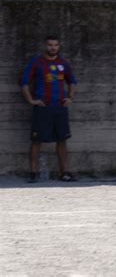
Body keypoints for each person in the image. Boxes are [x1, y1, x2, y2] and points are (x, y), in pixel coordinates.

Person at [20, 36, 77, 183]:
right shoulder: (36, 62)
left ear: (59, 47)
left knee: (62, 140)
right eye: (50, 45)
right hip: (42, 108)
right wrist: (31, 100)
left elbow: (71, 82)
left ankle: (64, 172)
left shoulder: (63, 63)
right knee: (36, 141)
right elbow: (24, 82)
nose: (53, 47)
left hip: (59, 108)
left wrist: (70, 97)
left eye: (56, 45)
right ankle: (33, 172)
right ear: (45, 46)